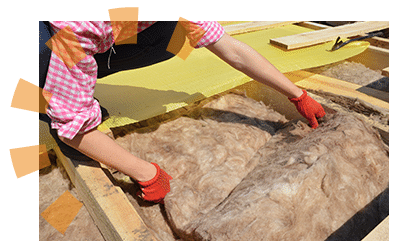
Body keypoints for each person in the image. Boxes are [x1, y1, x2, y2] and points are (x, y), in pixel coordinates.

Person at [39, 21, 325, 204]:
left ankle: (72, 83)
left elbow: (233, 52)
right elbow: (72, 127)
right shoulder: (83, 23)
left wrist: (297, 94)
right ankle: (46, 90)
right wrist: (145, 172)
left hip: (92, 35)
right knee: (40, 60)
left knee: (170, 35)